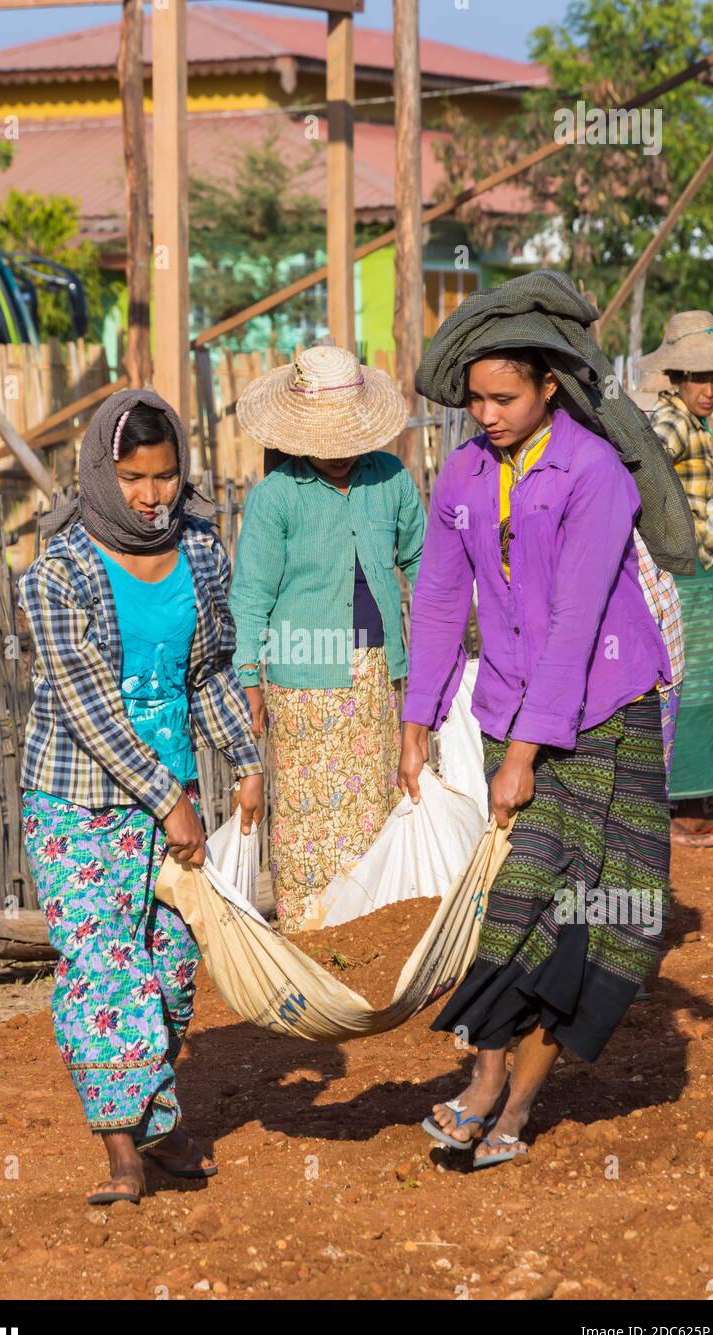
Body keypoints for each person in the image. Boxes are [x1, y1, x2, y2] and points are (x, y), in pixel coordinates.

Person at [400, 347, 673, 1169]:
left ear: (548, 388)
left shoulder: (593, 472)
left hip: (604, 716)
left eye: (505, 397)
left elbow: (576, 620)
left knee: (583, 921)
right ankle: (484, 1082)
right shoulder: (462, 477)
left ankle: (512, 1104)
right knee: (513, 901)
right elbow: (444, 597)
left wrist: (522, 754)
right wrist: (416, 717)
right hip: (512, 710)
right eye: (475, 400)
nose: (485, 414)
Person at [17, 387, 265, 1205]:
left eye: (163, 476)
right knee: (103, 966)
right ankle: (126, 1147)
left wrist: (244, 757)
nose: (151, 496)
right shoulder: (57, 575)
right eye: (131, 477)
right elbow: (87, 705)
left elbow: (212, 669)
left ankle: (152, 1119)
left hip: (175, 797)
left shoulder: (201, 552)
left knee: (169, 967)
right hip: (76, 801)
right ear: (98, 470)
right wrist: (168, 799)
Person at [230, 345, 426, 929]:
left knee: (373, 811)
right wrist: (249, 677)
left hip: (374, 675)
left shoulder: (389, 479)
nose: (339, 457)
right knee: (309, 824)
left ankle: (372, 936)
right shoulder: (276, 497)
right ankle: (314, 939)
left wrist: (443, 648)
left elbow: (421, 561)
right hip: (301, 682)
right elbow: (252, 593)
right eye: (325, 445)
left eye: (347, 443)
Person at [638, 312, 713, 848]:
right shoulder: (673, 423)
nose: (709, 389)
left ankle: (695, 799)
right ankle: (678, 808)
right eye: (698, 379)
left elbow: (705, 510)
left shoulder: (698, 422)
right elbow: (643, 466)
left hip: (703, 573)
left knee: (712, 685)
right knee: (687, 688)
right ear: (678, 380)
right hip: (679, 576)